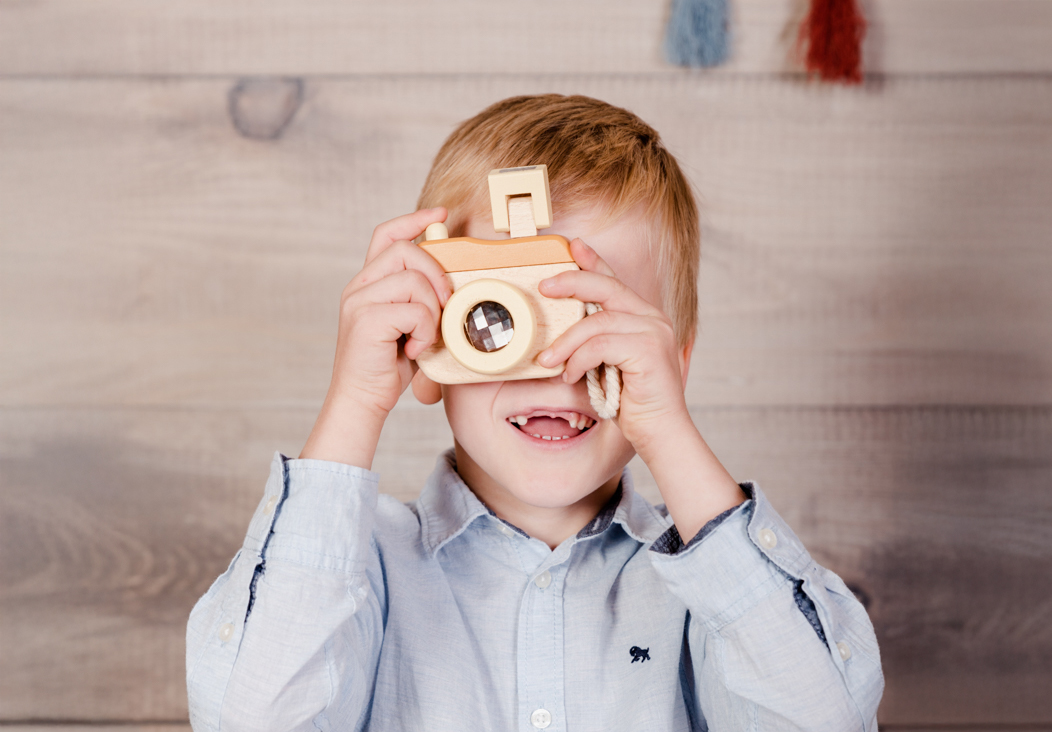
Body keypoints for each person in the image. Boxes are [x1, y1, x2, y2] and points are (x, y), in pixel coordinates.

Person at [186, 94, 884, 731]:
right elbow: (250, 717)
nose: (553, 364)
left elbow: (825, 718)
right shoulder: (358, 573)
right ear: (423, 345)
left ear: (672, 363)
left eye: (597, 318)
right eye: (493, 318)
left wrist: (670, 434)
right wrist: (355, 403)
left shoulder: (707, 593)